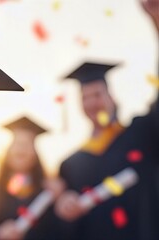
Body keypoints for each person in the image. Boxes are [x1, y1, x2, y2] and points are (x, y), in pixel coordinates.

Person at [54, 1, 159, 239]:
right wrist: (62, 206)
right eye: (86, 96)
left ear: (112, 97)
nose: (93, 102)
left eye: (98, 94)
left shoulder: (144, 132)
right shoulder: (70, 165)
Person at [0, 116, 64, 240]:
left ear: (35, 153)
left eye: (27, 144)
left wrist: (59, 200)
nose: (21, 148)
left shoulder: (48, 193)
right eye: (17, 143)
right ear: (8, 151)